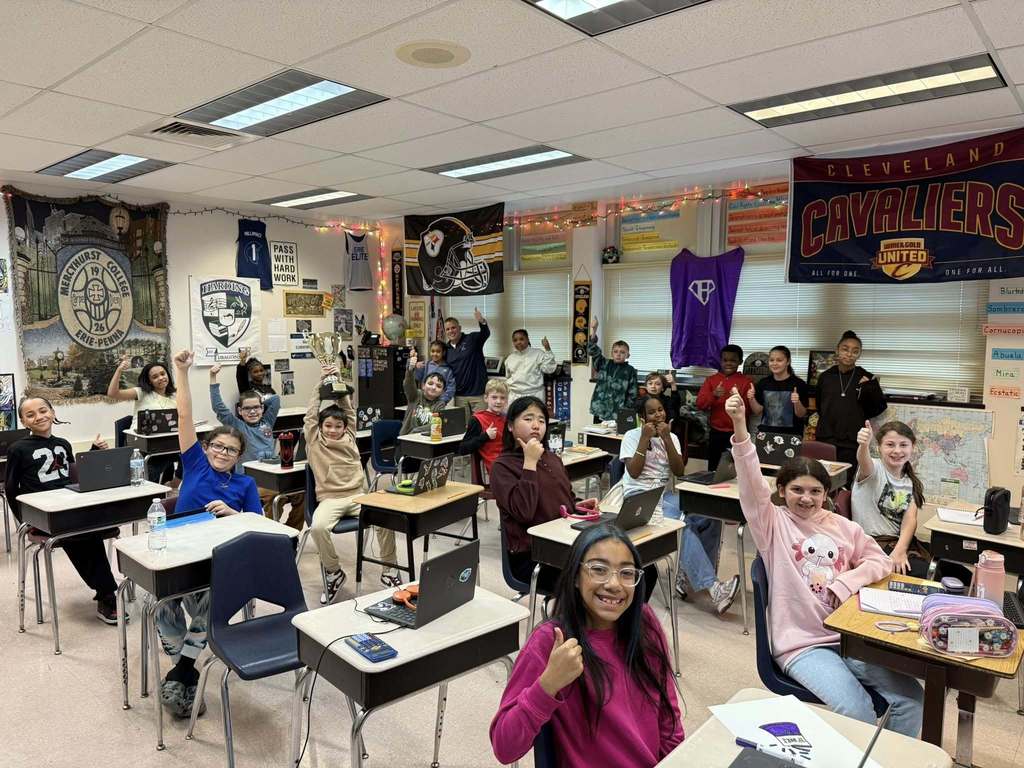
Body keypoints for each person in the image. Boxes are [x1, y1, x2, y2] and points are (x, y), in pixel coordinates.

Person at [725, 386, 923, 737]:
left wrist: (848, 581)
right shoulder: (772, 524)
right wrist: (740, 426)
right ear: (781, 491)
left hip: (849, 637)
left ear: (826, 493)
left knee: (913, 699)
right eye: (797, 490)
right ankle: (863, 757)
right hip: (803, 644)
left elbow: (879, 560)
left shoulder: (842, 526)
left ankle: (887, 758)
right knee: (857, 711)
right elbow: (751, 483)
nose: (806, 498)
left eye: (815, 491)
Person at [490, 524, 683, 767]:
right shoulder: (552, 642)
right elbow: (504, 747)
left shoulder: (644, 623)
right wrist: (548, 684)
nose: (614, 584)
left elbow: (670, 724)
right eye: (599, 570)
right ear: (575, 577)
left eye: (626, 573)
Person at [158, 350, 263, 720]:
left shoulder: (245, 485)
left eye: (231, 450)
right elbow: (184, 416)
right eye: (217, 446)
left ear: (239, 457)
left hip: (217, 559)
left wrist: (233, 513)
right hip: (180, 550)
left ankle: (181, 674)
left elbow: (259, 525)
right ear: (205, 449)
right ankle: (185, 669)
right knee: (161, 605)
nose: (223, 452)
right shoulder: (196, 466)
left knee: (210, 600)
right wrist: (181, 371)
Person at [6, 397, 121, 624]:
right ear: (23, 421)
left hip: (69, 506)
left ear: (52, 412)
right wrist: (24, 521)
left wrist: (93, 451)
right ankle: (107, 594)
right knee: (82, 533)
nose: (39, 417)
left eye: (43, 411)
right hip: (44, 514)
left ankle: (105, 590)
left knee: (90, 527)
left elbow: (73, 474)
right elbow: (11, 489)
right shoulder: (17, 449)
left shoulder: (63, 443)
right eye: (30, 415)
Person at [621, 396, 739, 613]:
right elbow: (634, 472)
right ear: (642, 417)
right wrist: (644, 439)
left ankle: (688, 576)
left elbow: (679, 471)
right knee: (683, 525)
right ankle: (714, 588)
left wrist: (667, 439)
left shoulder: (671, 437)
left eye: (660, 410)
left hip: (663, 496)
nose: (658, 415)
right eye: (652, 412)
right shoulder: (631, 436)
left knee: (710, 516)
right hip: (639, 497)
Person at [304, 365, 399, 601]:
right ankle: (334, 572)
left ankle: (389, 570)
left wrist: (338, 380)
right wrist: (321, 382)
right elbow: (311, 414)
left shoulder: (349, 436)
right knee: (318, 527)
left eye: (338, 426)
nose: (333, 430)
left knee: (386, 517)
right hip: (330, 499)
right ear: (320, 427)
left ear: (345, 428)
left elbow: (348, 410)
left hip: (358, 495)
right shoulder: (314, 440)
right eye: (328, 425)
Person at [209, 363, 304, 531]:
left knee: (302, 494)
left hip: (272, 475)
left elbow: (275, 399)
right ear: (239, 411)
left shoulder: (267, 422)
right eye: (247, 408)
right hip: (250, 481)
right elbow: (219, 407)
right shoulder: (237, 426)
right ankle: (270, 531)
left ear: (262, 408)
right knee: (275, 495)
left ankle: (290, 532)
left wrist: (257, 399)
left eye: (256, 408)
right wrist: (213, 377)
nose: (252, 412)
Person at [852, 420, 929, 578]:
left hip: (899, 543)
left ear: (912, 447)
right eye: (890, 445)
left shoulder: (910, 480)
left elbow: (910, 520)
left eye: (903, 445)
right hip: (874, 545)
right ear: (879, 447)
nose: (897, 450)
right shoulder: (873, 469)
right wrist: (864, 445)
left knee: (951, 565)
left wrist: (900, 550)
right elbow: (863, 460)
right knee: (931, 574)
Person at [815, 331, 887, 470]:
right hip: (826, 438)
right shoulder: (825, 377)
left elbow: (878, 408)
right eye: (845, 349)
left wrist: (868, 389)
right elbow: (820, 407)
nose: (849, 354)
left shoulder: (866, 378)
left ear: (859, 354)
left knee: (847, 480)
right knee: (822, 477)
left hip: (852, 441)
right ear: (837, 350)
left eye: (855, 351)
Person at [106, 355, 179, 481]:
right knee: (158, 463)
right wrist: (119, 370)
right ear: (149, 381)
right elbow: (113, 394)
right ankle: (153, 488)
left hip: (166, 442)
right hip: (142, 444)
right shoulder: (141, 392)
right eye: (155, 377)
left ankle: (173, 484)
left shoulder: (174, 396)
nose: (161, 378)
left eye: (163, 374)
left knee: (191, 454)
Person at [696, 344, 751, 471]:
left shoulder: (746, 382)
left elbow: (748, 411)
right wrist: (714, 395)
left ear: (740, 362)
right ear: (720, 361)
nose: (728, 363)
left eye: (733, 360)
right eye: (725, 360)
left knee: (737, 470)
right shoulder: (711, 380)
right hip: (716, 433)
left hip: (737, 434)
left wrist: (738, 399)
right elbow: (700, 404)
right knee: (713, 470)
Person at [397, 347, 447, 473]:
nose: (433, 387)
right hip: (406, 445)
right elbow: (408, 384)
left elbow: (436, 425)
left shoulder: (440, 405)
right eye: (430, 383)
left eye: (438, 386)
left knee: (438, 462)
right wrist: (410, 369)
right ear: (423, 385)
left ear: (442, 391)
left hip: (427, 446)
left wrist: (416, 430)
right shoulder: (415, 396)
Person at [746, 345, 809, 436]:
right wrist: (751, 398)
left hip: (792, 435)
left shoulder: (799, 384)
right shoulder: (763, 383)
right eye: (771, 360)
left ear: (788, 361)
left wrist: (797, 401)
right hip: (766, 434)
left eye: (779, 360)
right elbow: (757, 411)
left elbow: (801, 414)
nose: (774, 363)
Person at [587, 316, 637, 423]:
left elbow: (632, 394)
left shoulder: (630, 371)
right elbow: (593, 350)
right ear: (611, 353)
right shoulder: (604, 364)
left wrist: (625, 411)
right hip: (600, 409)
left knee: (614, 434)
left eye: (622, 352)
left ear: (628, 355)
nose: (618, 354)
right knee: (597, 432)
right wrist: (594, 330)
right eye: (615, 351)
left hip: (617, 412)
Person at [444, 309, 490, 414]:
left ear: (459, 328)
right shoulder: (445, 349)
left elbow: (485, 333)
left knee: (481, 423)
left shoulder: (472, 339)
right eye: (448, 329)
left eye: (453, 327)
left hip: (479, 394)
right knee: (463, 424)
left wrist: (482, 321)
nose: (451, 331)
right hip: (460, 396)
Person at [458, 378, 508, 473]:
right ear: (486, 398)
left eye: (502, 398)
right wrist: (486, 436)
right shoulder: (477, 419)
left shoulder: (507, 419)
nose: (498, 401)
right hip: (498, 467)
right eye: (494, 397)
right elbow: (463, 449)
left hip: (509, 459)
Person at [504, 329, 557, 402]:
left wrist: (547, 349)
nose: (518, 342)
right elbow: (508, 376)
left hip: (534, 394)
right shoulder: (510, 358)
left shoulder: (538, 353)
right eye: (515, 340)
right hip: (515, 395)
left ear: (528, 339)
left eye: (521, 339)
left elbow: (549, 369)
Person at [413, 339, 455, 406]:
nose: (435, 354)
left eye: (438, 351)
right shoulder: (426, 365)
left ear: (443, 352)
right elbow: (417, 378)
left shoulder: (448, 369)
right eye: (433, 351)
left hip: (439, 402)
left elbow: (451, 388)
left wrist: (443, 400)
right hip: (424, 400)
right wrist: (417, 368)